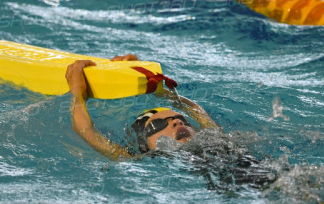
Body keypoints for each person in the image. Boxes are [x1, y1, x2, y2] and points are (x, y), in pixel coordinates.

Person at [65, 55, 219, 160]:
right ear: (144, 144)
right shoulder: (137, 160)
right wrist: (78, 91)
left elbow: (197, 111)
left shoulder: (215, 141)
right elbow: (86, 131)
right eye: (159, 124)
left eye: (182, 120)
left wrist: (150, 84)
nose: (177, 122)